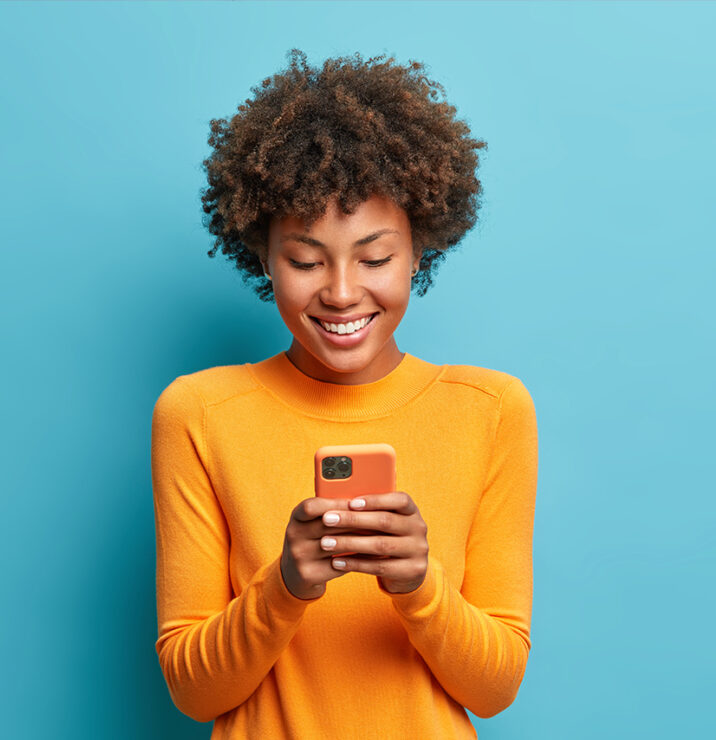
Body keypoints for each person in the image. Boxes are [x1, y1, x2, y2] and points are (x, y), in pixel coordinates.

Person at [151, 49, 538, 739]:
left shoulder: (493, 410)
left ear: (421, 249)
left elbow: (496, 686)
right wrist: (285, 587)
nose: (339, 291)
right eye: (304, 259)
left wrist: (420, 585)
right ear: (262, 256)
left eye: (375, 256)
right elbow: (192, 690)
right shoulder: (198, 413)